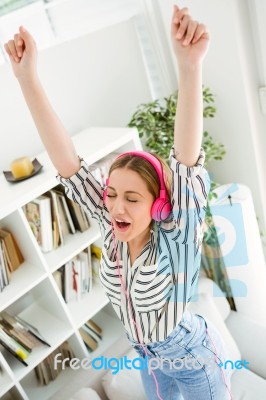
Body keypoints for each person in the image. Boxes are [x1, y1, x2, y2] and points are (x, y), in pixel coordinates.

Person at [5, 4, 233, 399]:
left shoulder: (175, 240)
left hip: (193, 358)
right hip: (148, 357)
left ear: (158, 205)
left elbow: (186, 161)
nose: (116, 207)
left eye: (132, 198)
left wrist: (189, 67)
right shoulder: (112, 233)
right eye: (111, 194)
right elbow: (69, 166)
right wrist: (28, 79)